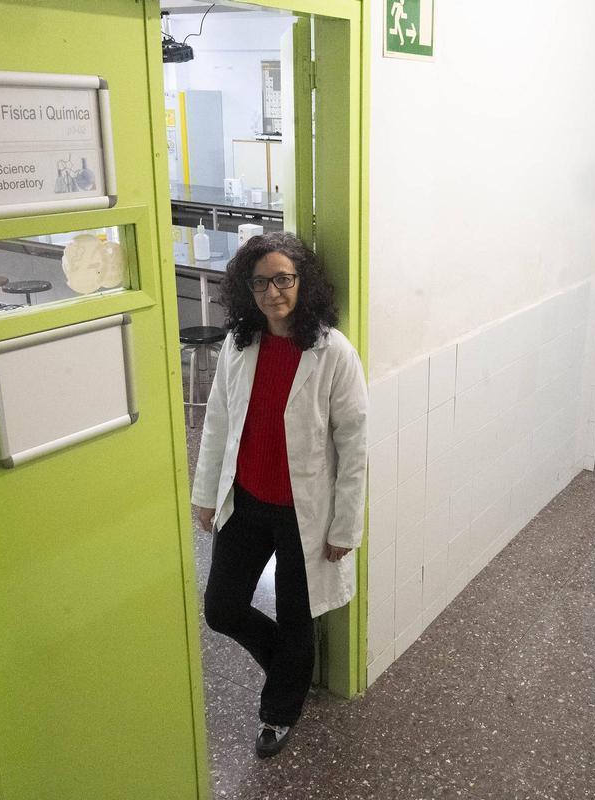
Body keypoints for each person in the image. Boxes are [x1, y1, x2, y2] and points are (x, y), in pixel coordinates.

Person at [192, 231, 367, 758]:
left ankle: (280, 710)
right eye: (261, 281)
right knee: (222, 609)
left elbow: (354, 444)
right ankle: (290, 666)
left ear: (302, 282)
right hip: (245, 502)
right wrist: (205, 495)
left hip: (303, 513)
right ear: (248, 289)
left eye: (284, 279)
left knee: (297, 615)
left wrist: (344, 527)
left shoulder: (332, 351)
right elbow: (218, 422)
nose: (273, 292)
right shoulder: (239, 343)